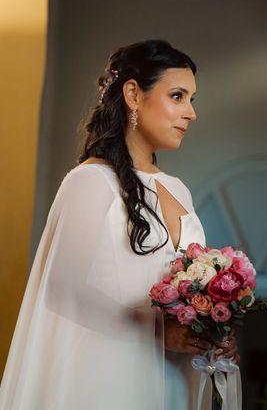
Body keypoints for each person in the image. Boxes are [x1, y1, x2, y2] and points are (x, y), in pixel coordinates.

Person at [0, 40, 238, 410]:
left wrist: (210, 331)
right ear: (133, 95)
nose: (190, 113)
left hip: (172, 379)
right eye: (177, 96)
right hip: (109, 378)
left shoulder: (178, 190)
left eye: (192, 99)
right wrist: (158, 332)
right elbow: (63, 287)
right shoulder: (90, 181)